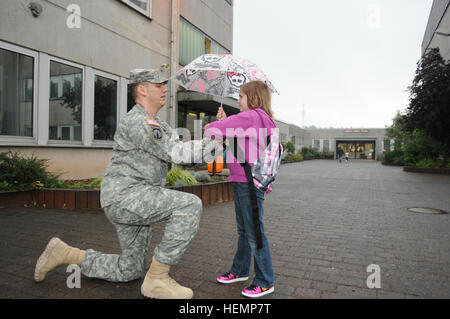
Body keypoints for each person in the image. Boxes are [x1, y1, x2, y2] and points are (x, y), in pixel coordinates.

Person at [34, 69, 220, 299]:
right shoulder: (139, 122)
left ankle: (66, 254)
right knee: (189, 205)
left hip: (134, 197)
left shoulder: (157, 123)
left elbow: (183, 147)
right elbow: (176, 152)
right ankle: (158, 279)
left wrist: (217, 135)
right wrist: (215, 141)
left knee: (131, 269)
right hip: (127, 197)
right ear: (142, 89)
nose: (164, 89)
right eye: (158, 85)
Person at [204, 80, 275, 298]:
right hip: (249, 180)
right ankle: (241, 270)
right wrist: (228, 125)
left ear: (253, 98)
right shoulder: (263, 119)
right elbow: (241, 148)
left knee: (253, 231)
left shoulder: (250, 116)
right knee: (246, 230)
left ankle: (265, 280)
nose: (238, 100)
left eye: (241, 96)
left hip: (246, 182)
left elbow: (209, 130)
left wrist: (220, 124)